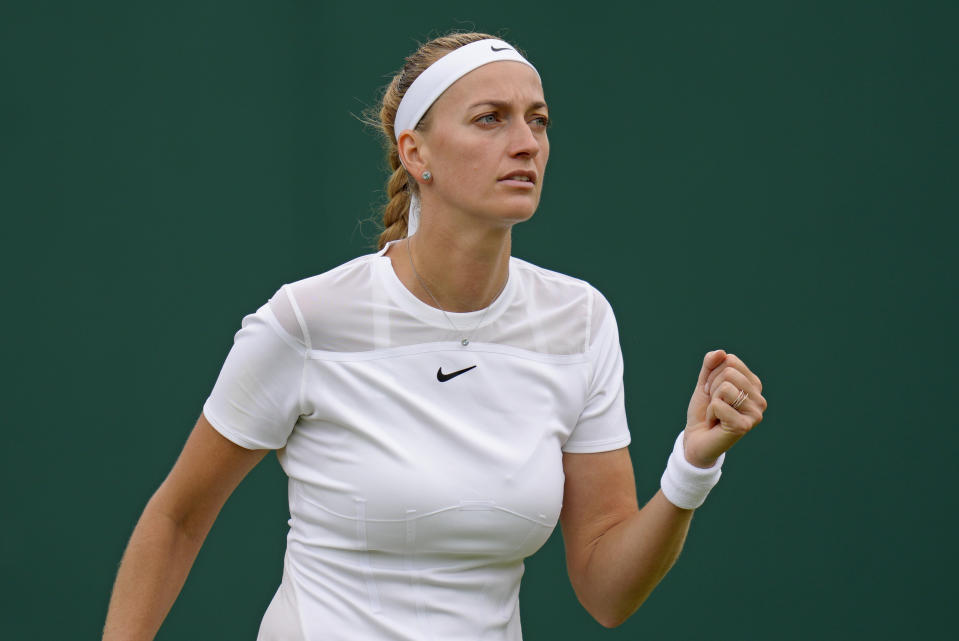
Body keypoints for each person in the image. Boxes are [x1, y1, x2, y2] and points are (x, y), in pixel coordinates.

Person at [102, 32, 767, 641]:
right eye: (490, 119)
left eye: (537, 120)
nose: (526, 142)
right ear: (414, 152)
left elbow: (605, 589)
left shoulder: (580, 321)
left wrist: (691, 465)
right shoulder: (308, 320)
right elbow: (176, 519)